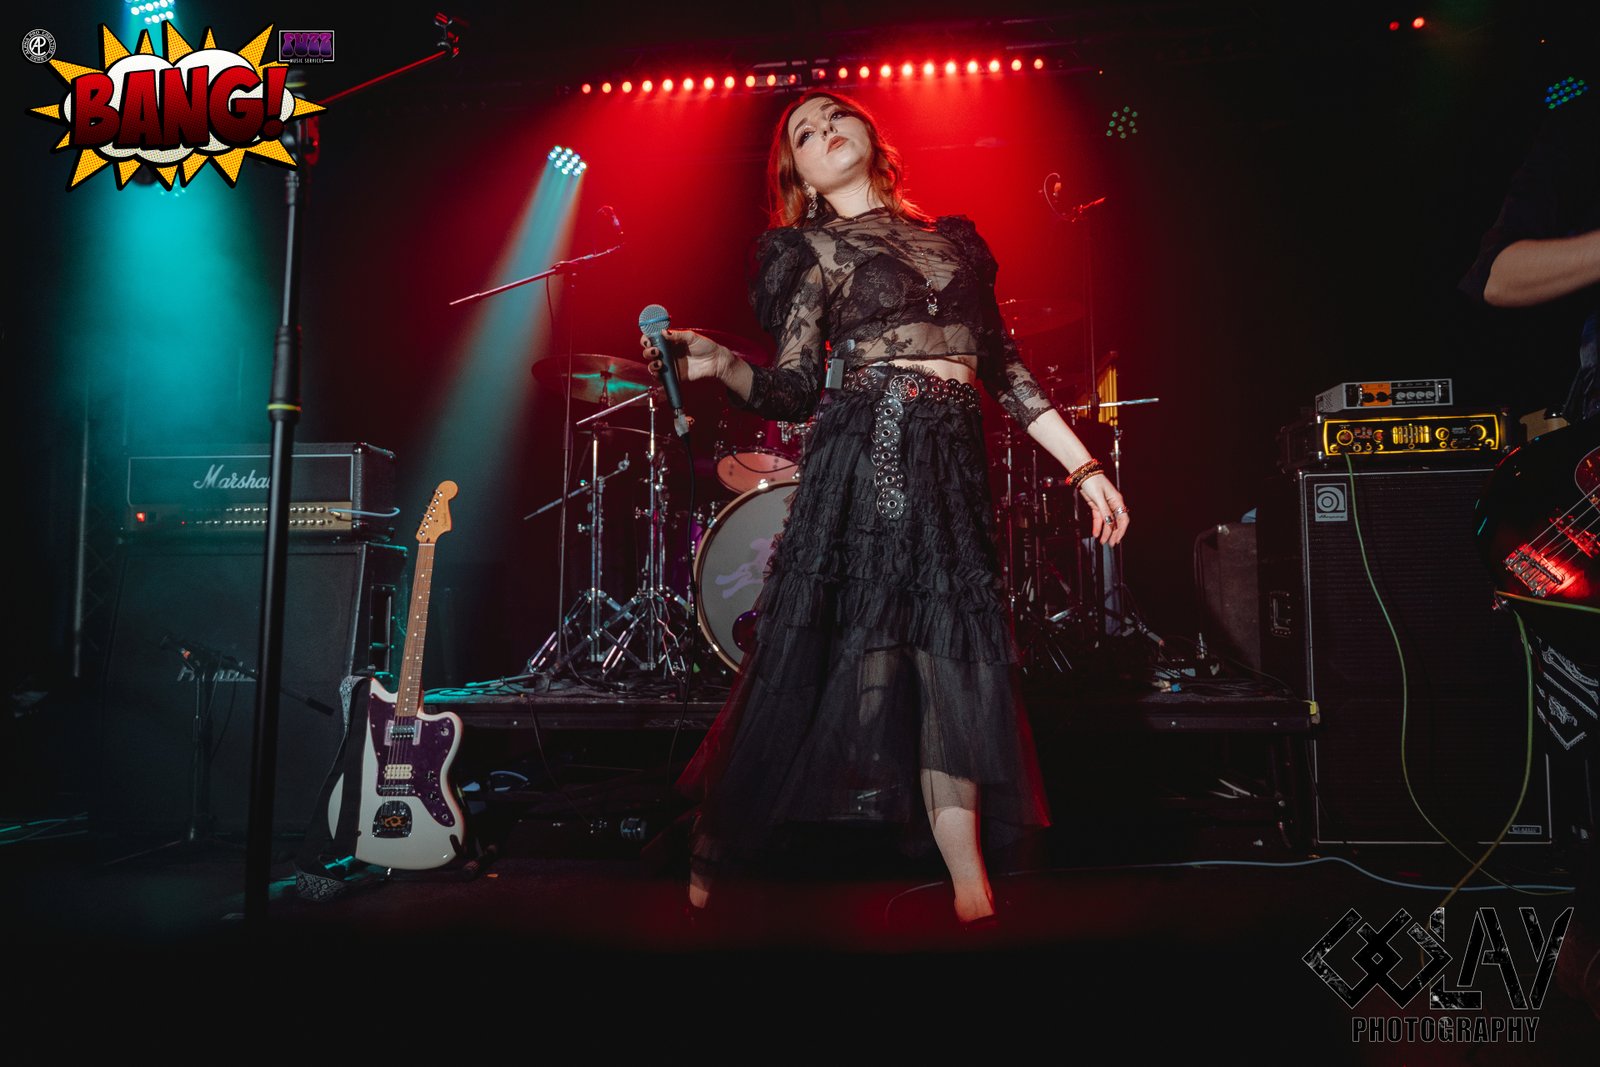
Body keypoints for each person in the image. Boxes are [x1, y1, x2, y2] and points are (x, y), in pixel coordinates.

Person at [644, 90, 1129, 929]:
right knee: (823, 653)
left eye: (835, 116)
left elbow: (1003, 369)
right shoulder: (810, 249)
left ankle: (970, 888)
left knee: (951, 658)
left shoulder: (955, 241)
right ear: (798, 177)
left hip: (950, 464)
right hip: (869, 447)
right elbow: (794, 389)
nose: (824, 130)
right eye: (803, 133)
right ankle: (716, 844)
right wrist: (723, 363)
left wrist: (1084, 466)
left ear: (871, 131)